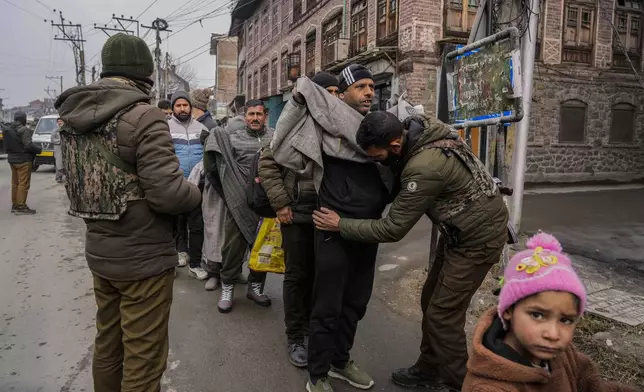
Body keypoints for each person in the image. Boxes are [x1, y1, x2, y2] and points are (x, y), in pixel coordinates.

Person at [312, 111, 509, 391]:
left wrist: (340, 224)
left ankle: (462, 384)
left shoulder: (423, 167)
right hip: (459, 230)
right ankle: (429, 369)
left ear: (395, 147)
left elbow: (392, 229)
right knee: (431, 302)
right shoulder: (419, 129)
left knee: (443, 314)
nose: (374, 161)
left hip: (478, 240)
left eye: (376, 156)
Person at [54, 33, 201, 392]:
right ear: (145, 74)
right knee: (144, 356)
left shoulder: (73, 116)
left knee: (108, 341)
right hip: (144, 259)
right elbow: (168, 195)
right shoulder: (143, 115)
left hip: (100, 253)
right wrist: (196, 193)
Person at [299, 65, 392, 392]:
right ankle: (318, 374)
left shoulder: (378, 130)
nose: (369, 92)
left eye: (371, 86)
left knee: (356, 301)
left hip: (366, 231)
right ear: (343, 92)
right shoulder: (326, 131)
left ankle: (340, 360)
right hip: (331, 230)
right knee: (328, 305)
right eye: (361, 87)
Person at [463, 233, 638, 392]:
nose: (553, 334)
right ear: (509, 310)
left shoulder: (565, 357)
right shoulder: (489, 388)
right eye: (537, 315)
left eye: (566, 320)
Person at [258, 71, 339, 368]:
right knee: (297, 275)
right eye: (327, 91)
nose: (334, 97)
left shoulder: (338, 127)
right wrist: (280, 204)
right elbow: (267, 164)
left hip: (326, 215)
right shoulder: (292, 123)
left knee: (321, 276)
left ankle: (314, 327)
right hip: (296, 213)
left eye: (336, 91)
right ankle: (295, 336)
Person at [203, 100, 273, 313]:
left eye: (258, 114)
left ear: (265, 116)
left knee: (262, 249)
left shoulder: (274, 137)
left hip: (267, 204)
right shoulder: (233, 139)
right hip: (239, 204)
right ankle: (227, 288)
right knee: (233, 248)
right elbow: (217, 168)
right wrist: (228, 192)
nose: (254, 118)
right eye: (250, 114)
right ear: (244, 117)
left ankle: (255, 287)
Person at [168, 90, 209, 280]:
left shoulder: (201, 129)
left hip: (197, 186)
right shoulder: (165, 128)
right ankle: (177, 254)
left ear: (191, 107)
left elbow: (208, 154)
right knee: (175, 223)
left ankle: (195, 263)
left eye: (185, 105)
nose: (182, 108)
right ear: (173, 108)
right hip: (175, 184)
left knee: (197, 224)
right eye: (179, 105)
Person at [4, 110, 41, 214]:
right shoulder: (24, 130)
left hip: (12, 160)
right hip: (23, 160)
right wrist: (39, 149)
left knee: (15, 183)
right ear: (23, 119)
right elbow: (28, 145)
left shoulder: (9, 128)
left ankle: (15, 205)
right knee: (23, 183)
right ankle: (21, 207)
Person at [51, 117, 65, 183]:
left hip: (65, 148)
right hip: (58, 148)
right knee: (59, 163)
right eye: (59, 121)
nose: (60, 122)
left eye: (61, 121)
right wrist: (60, 141)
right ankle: (58, 177)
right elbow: (52, 140)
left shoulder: (65, 129)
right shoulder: (55, 130)